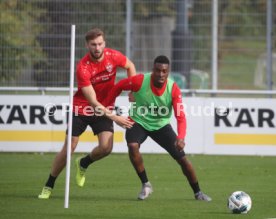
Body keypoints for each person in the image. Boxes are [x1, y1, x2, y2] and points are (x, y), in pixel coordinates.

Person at [38, 28, 136, 199]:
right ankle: (49, 185)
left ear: (104, 43)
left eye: (100, 44)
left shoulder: (113, 56)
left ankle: (84, 163)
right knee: (70, 147)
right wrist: (115, 117)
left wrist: (133, 89)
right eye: (93, 45)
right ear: (87, 45)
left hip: (103, 108)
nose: (97, 48)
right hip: (82, 108)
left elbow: (130, 66)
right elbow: (93, 102)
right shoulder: (83, 67)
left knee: (106, 148)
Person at [105, 55, 212, 201]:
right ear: (153, 70)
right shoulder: (139, 81)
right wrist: (109, 110)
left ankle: (198, 193)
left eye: (164, 71)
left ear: (168, 72)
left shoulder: (173, 89)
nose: (161, 74)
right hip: (138, 122)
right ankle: (146, 184)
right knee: (132, 145)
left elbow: (181, 117)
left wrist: (181, 137)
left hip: (161, 126)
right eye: (157, 70)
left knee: (183, 160)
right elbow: (117, 87)